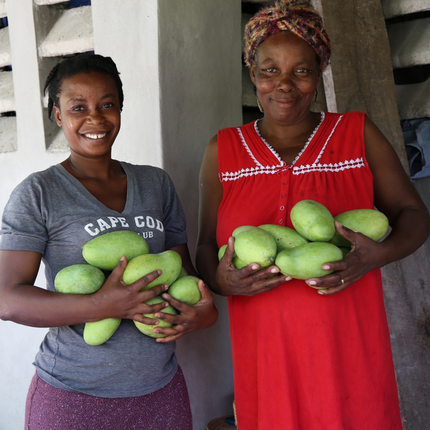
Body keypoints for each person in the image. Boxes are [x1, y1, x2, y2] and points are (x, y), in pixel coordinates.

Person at [196, 1, 430, 429]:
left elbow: (413, 213)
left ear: (319, 72)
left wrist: (377, 255)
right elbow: (205, 245)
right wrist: (221, 280)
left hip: (348, 346)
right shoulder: (222, 150)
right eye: (270, 70)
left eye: (301, 70)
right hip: (265, 352)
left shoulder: (357, 134)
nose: (284, 84)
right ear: (252, 73)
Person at [0, 53, 217, 430]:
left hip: (160, 390)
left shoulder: (156, 184)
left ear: (120, 109)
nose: (95, 118)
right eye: (78, 107)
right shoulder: (39, 192)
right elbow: (7, 298)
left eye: (107, 105)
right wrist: (102, 304)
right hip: (72, 394)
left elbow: (184, 277)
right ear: (57, 115)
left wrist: (202, 315)